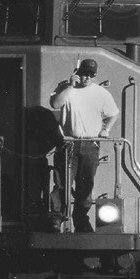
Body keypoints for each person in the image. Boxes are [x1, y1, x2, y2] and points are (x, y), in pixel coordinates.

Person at [50, 58, 119, 232]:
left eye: (91, 75)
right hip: (68, 143)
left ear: (94, 76)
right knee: (61, 183)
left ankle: (81, 220)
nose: (87, 78)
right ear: (77, 73)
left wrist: (107, 129)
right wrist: (69, 87)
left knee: (86, 185)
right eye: (84, 74)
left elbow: (113, 114)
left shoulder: (101, 93)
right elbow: (55, 104)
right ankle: (56, 218)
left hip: (90, 144)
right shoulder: (65, 88)